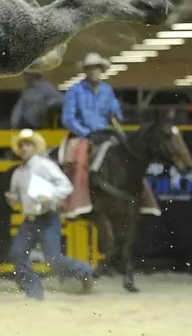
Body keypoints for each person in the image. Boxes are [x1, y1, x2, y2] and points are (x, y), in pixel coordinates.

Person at [60, 52, 160, 219]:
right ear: (85, 71)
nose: (93, 72)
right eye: (90, 69)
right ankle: (77, 203)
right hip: (83, 135)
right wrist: (86, 132)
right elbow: (68, 119)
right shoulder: (74, 91)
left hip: (106, 133)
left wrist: (115, 113)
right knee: (79, 162)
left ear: (101, 70)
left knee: (129, 157)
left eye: (96, 68)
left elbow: (116, 113)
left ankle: (145, 200)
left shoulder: (107, 90)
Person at [4, 129, 94, 299]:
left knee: (53, 259)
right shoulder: (18, 173)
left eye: (28, 145)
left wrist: (50, 197)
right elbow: (17, 196)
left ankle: (84, 270)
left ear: (34, 147)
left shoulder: (44, 165)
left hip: (47, 217)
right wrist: (13, 199)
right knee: (18, 253)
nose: (24, 148)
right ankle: (33, 290)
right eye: (22, 145)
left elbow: (66, 186)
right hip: (31, 219)